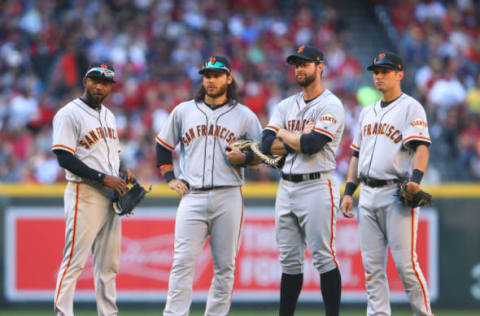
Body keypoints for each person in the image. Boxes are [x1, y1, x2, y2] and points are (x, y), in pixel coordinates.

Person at [155, 56, 262, 316]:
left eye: (216, 75)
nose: (210, 80)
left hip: (228, 195)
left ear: (228, 78)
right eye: (206, 75)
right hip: (192, 195)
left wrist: (246, 158)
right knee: (182, 263)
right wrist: (170, 177)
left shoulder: (244, 115)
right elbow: (163, 146)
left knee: (225, 267)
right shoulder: (184, 111)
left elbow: (263, 154)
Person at [340, 52, 433, 316]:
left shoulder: (410, 107)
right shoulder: (367, 111)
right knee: (372, 269)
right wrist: (349, 191)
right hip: (366, 194)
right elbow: (356, 154)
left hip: (395, 193)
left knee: (406, 266)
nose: (378, 76)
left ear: (399, 74)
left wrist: (416, 180)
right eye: (376, 71)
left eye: (385, 71)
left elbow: (421, 148)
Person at [261, 45, 345, 316]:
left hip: (317, 184)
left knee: (323, 256)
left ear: (320, 67)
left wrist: (283, 135)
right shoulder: (285, 105)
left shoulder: (331, 104)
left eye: (305, 64)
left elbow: (312, 144)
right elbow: (265, 144)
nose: (299, 69)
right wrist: (292, 137)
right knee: (289, 261)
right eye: (296, 64)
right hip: (286, 185)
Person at [52, 63, 135, 316]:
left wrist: (121, 173)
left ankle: (108, 313)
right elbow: (63, 157)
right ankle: (63, 313)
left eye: (105, 82)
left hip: (110, 195)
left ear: (111, 87)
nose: (99, 86)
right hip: (84, 193)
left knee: (109, 265)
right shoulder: (69, 113)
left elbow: (109, 157)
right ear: (85, 82)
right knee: (74, 262)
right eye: (95, 80)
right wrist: (102, 178)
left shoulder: (109, 115)